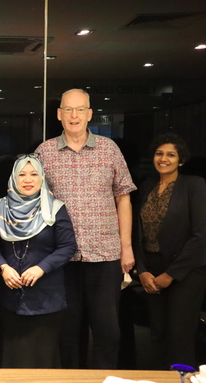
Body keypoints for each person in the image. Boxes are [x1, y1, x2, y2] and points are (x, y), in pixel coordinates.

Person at [35, 88, 137, 369]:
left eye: (80, 109)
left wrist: (126, 247)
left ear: (90, 114)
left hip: (105, 254)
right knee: (67, 333)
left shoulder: (109, 149)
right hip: (61, 259)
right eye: (68, 109)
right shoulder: (44, 153)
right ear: (59, 115)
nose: (74, 115)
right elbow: (33, 201)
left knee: (107, 331)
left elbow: (123, 198)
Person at [0, 154, 77, 368]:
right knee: (12, 358)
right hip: (9, 298)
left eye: (34, 174)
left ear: (42, 178)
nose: (28, 179)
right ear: (13, 178)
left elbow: (68, 246)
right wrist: (2, 267)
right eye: (21, 174)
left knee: (42, 360)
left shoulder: (56, 208)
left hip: (46, 298)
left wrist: (42, 268)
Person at [134, 133, 206, 368]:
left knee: (180, 335)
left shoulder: (194, 185)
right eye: (159, 153)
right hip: (152, 270)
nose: (163, 158)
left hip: (186, 272)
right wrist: (142, 270)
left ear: (181, 160)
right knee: (158, 334)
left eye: (171, 155)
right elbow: (138, 231)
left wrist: (171, 275)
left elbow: (200, 236)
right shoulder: (147, 185)